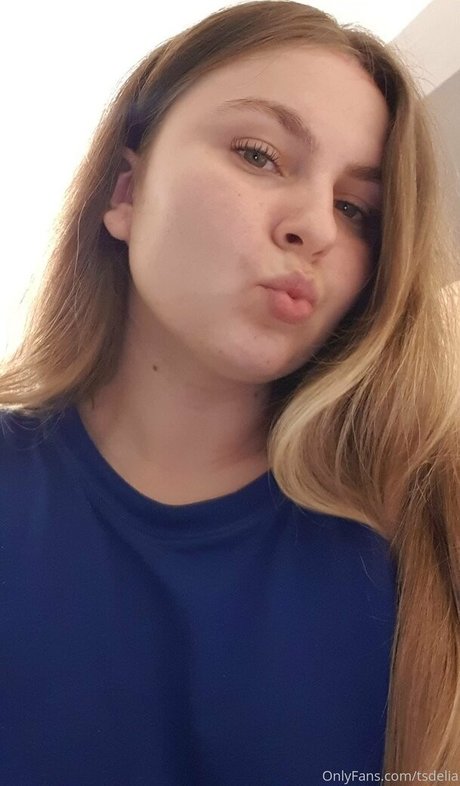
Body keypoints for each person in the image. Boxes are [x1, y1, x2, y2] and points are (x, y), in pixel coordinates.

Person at [1, 1, 459, 783]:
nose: (316, 227)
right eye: (259, 155)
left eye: (357, 209)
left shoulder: (424, 531)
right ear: (125, 192)